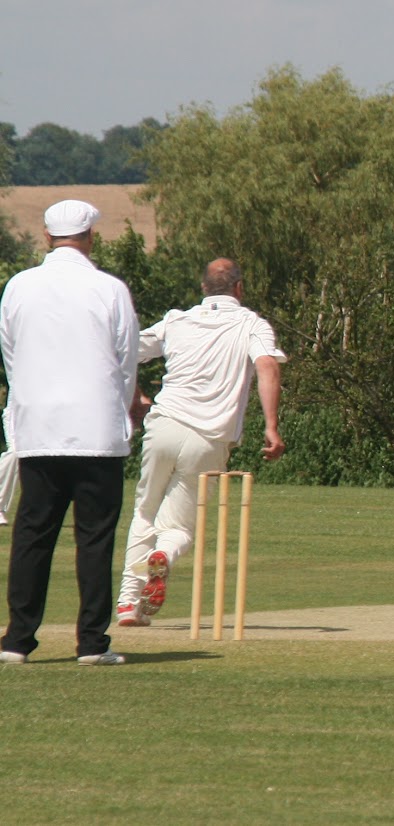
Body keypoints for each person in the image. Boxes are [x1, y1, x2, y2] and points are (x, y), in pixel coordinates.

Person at [0, 199, 141, 666]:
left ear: (46, 236)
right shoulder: (110, 288)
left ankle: (17, 641)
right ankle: (92, 643)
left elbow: (12, 357)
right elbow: (125, 361)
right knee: (95, 538)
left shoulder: (19, 287)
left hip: (40, 428)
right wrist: (123, 413)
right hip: (97, 430)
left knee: (32, 534)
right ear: (90, 237)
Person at [115, 258, 287, 627]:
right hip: (208, 438)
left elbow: (124, 352)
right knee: (179, 527)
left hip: (163, 425)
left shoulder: (177, 319)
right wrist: (271, 427)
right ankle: (162, 554)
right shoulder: (251, 324)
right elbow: (267, 366)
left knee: (144, 511)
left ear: (204, 288)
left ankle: (128, 603)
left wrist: (135, 400)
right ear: (239, 289)